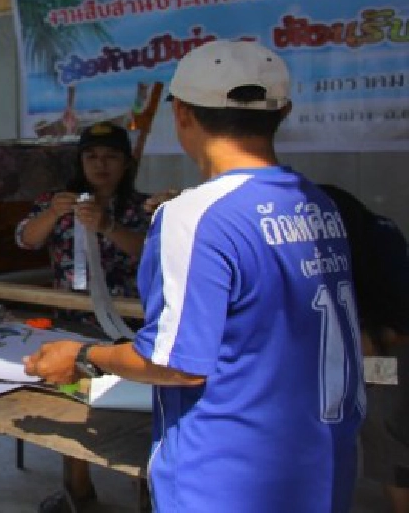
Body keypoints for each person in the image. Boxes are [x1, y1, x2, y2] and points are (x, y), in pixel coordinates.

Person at [24, 40, 365, 512]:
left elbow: (176, 364)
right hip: (318, 465)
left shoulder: (192, 215)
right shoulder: (318, 204)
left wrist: (82, 355)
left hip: (227, 476)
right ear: (283, 112)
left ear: (181, 113)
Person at [15, 120, 150, 513]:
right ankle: (78, 492)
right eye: (92, 156)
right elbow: (25, 239)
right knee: (73, 406)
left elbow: (151, 252)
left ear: (126, 163)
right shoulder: (56, 202)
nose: (100, 165)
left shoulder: (142, 207)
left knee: (136, 410)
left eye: (111, 157)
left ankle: (146, 494)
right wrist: (52, 215)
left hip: (127, 326)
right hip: (70, 323)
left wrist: (108, 226)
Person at [319, 184, 409, 513]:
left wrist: (377, 338)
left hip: (384, 349)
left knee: (386, 435)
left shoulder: (375, 241)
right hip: (369, 347)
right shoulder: (375, 234)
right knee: (383, 437)